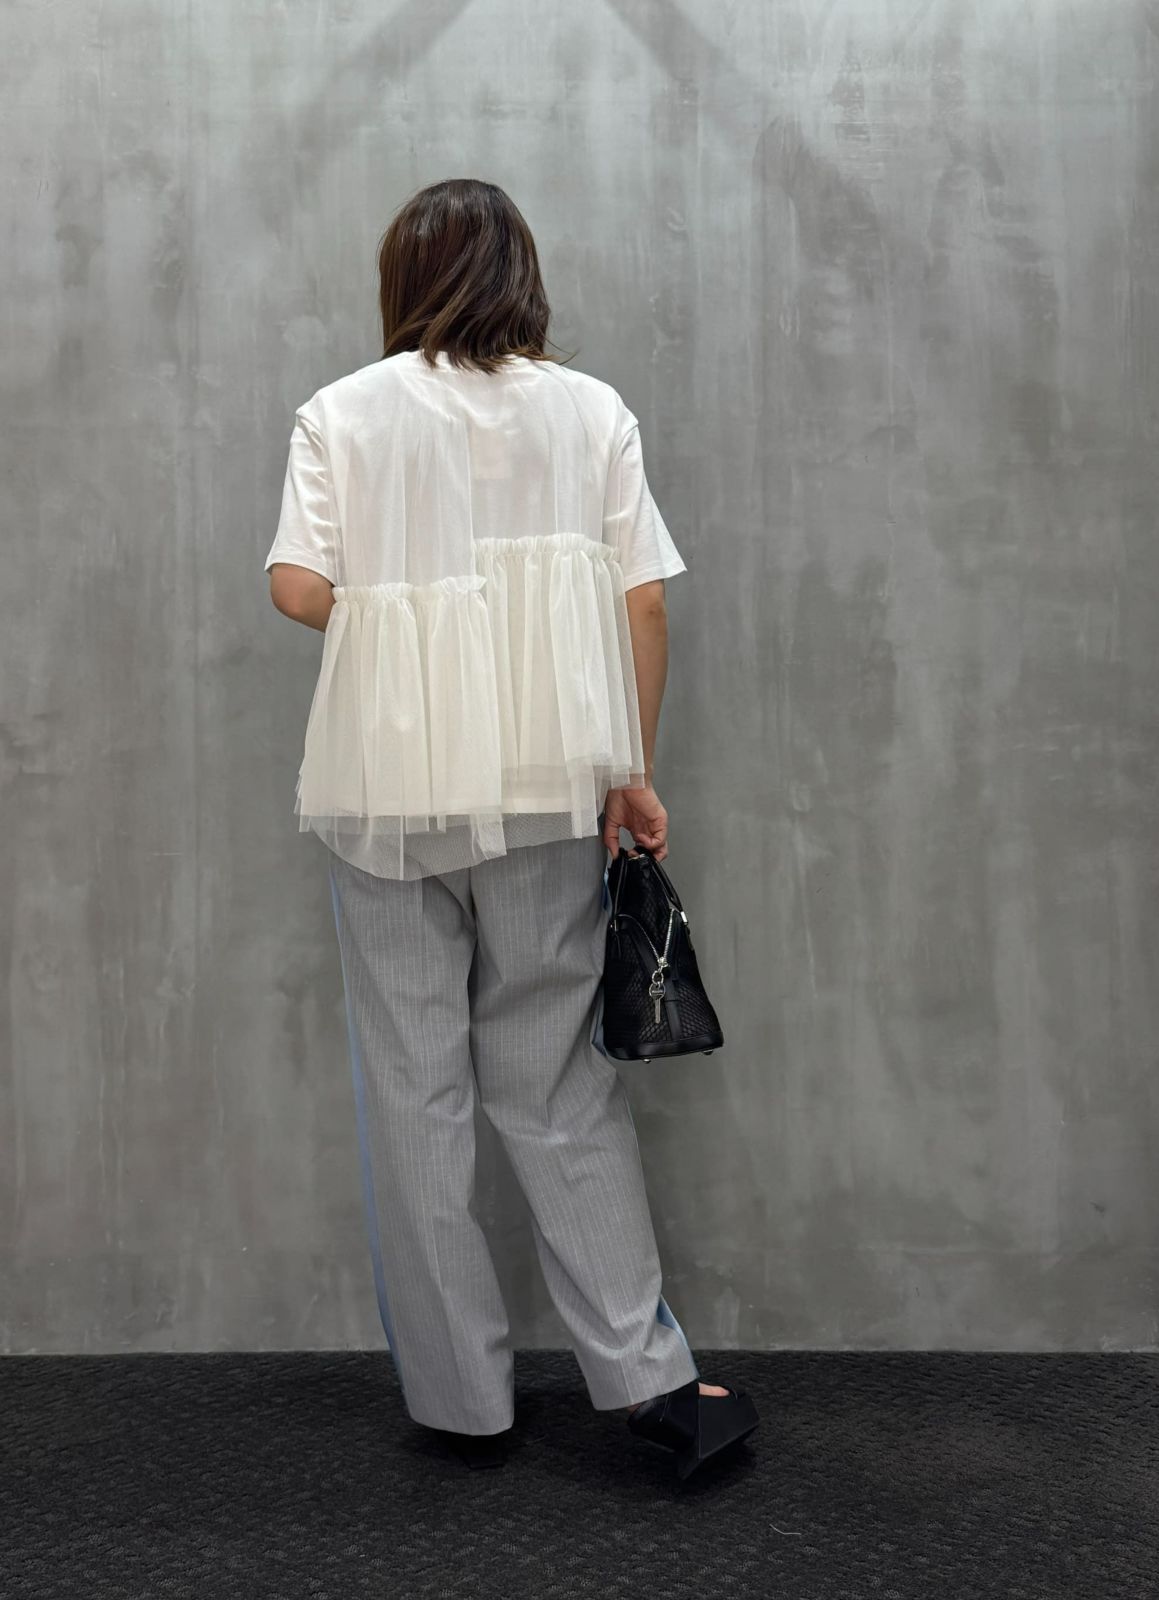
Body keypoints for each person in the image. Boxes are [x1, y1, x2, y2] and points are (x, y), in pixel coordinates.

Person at [264, 178, 758, 1476]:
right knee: (554, 1085)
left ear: (403, 279)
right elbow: (643, 604)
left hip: (386, 787)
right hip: (545, 783)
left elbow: (297, 587)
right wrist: (629, 769)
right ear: (521, 276)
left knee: (413, 1093)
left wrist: (415, 616)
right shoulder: (589, 411)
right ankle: (648, 1385)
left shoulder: (342, 411)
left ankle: (460, 1403)